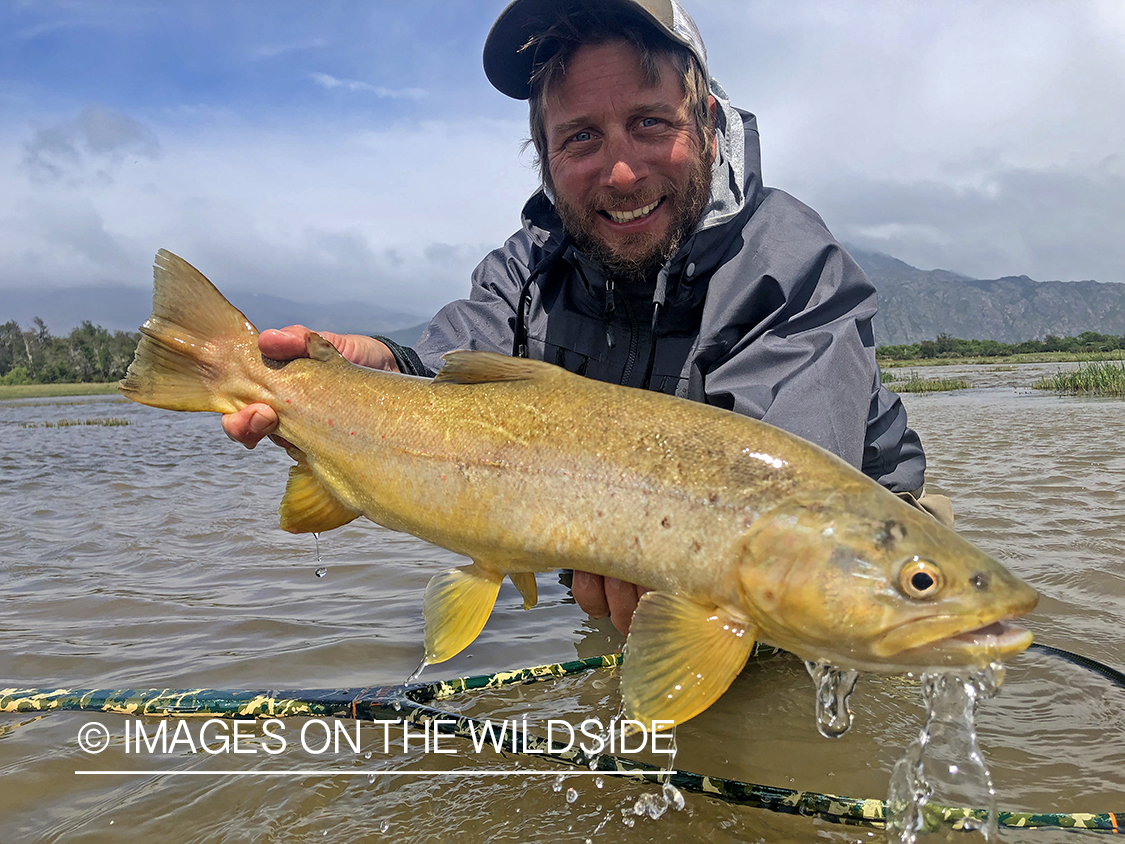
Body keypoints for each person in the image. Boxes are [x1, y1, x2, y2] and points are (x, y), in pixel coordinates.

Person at [223, 0, 948, 635]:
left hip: (874, 567)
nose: (623, 172)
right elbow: (441, 371)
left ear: (708, 124)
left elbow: (782, 517)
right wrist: (365, 375)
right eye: (580, 137)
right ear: (542, 156)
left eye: (648, 122)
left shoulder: (789, 263)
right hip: (622, 582)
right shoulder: (526, 265)